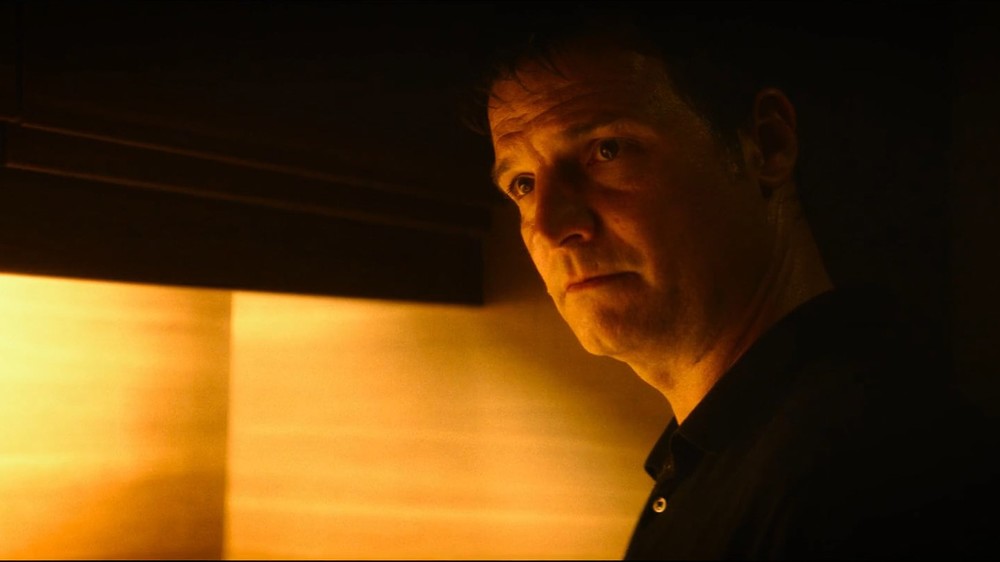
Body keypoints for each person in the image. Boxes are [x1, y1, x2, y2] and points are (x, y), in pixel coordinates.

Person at [464, 2, 998, 559]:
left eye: (607, 151)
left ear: (765, 145)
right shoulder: (726, 459)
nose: (550, 226)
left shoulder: (869, 478)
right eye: (523, 184)